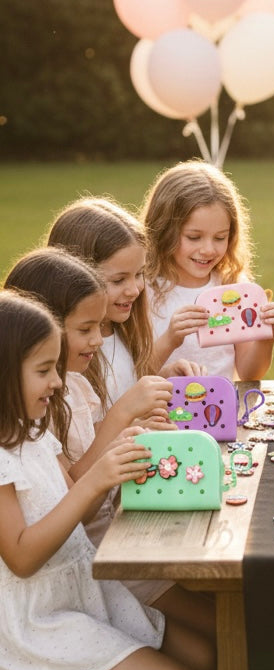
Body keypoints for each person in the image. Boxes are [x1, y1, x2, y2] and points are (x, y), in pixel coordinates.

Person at [0, 289, 215, 670]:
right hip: (35, 623)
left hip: (79, 592)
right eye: (44, 370)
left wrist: (124, 454)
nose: (56, 382)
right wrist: (96, 479)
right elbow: (23, 557)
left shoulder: (32, 431)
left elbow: (66, 494)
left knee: (204, 655)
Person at [4, 248, 215, 640]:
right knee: (216, 632)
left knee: (213, 630)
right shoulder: (35, 411)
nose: (100, 339)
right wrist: (121, 416)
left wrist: (138, 425)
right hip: (99, 553)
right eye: (87, 329)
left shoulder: (75, 386)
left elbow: (95, 467)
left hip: (111, 538)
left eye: (100, 327)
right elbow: (76, 498)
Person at [141, 160, 274, 381]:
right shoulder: (142, 288)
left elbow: (249, 374)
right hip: (159, 414)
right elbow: (129, 376)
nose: (208, 249)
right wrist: (170, 339)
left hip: (220, 413)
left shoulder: (232, 284)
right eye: (194, 237)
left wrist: (266, 339)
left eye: (220, 237)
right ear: (163, 229)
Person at [46, 196, 194, 413]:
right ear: (75, 279)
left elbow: (122, 388)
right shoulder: (70, 353)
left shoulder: (121, 329)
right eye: (118, 280)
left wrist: (160, 380)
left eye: (139, 274)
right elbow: (82, 442)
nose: (134, 290)